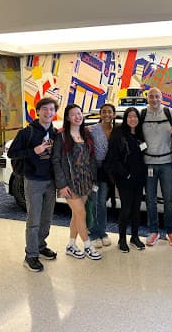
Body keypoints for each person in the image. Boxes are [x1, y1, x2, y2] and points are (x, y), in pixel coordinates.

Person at [7, 97, 59, 272]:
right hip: (34, 181)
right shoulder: (27, 132)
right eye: (45, 109)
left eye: (52, 109)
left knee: (47, 218)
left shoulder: (55, 133)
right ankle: (30, 255)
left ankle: (41, 246)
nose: (48, 112)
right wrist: (33, 151)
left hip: (50, 182)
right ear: (38, 111)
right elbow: (12, 153)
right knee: (34, 219)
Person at [51, 104, 102, 261]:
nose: (77, 116)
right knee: (82, 213)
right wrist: (61, 185)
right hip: (70, 183)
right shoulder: (62, 137)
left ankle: (71, 245)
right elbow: (56, 161)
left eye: (79, 113)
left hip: (85, 180)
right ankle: (88, 245)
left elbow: (91, 158)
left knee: (76, 214)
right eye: (73, 114)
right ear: (67, 117)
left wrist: (94, 178)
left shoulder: (86, 134)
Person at [105, 107, 147, 253]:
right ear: (125, 119)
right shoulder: (119, 134)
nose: (133, 119)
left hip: (139, 178)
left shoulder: (140, 134)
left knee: (137, 209)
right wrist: (126, 174)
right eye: (129, 116)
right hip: (125, 178)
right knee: (126, 209)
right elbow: (113, 158)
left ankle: (135, 237)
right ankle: (121, 239)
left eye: (135, 116)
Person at [141, 87, 172, 247]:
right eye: (151, 97)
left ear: (161, 97)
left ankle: (170, 231)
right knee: (150, 200)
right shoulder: (142, 114)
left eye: (157, 96)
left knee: (169, 200)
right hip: (148, 163)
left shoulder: (169, 113)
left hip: (167, 163)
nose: (154, 99)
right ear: (147, 98)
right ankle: (153, 230)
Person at [88, 103, 116, 248]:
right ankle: (93, 234)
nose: (107, 115)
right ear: (100, 114)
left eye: (109, 112)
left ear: (114, 114)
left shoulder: (116, 130)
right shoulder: (92, 129)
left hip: (106, 172)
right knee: (93, 203)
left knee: (102, 203)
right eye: (104, 112)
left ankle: (102, 232)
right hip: (93, 170)